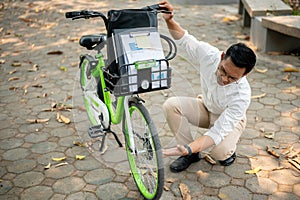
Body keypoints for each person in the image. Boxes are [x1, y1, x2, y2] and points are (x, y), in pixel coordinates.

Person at [159, 1, 256, 173]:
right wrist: (169, 20)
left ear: (244, 75)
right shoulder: (210, 55)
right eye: (223, 70)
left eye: (232, 78)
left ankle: (225, 151)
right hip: (206, 106)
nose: (224, 79)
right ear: (222, 57)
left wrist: (193, 146)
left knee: (219, 152)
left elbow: (217, 132)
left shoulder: (242, 95)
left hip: (228, 119)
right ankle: (189, 155)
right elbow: (184, 40)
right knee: (171, 105)